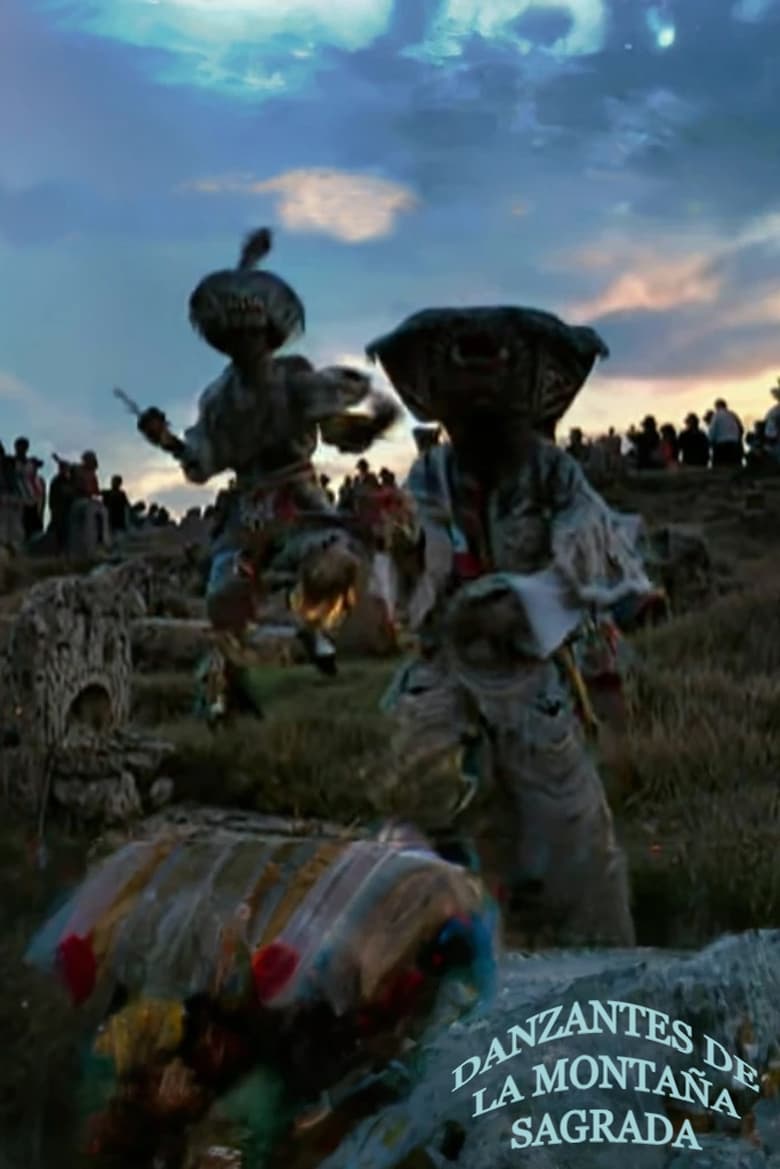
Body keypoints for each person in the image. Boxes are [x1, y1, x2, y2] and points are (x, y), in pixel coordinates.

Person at [368, 304, 644, 948]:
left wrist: (524, 598)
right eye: (460, 406)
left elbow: (596, 549)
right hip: (443, 675)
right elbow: (416, 569)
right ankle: (435, 977)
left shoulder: (553, 472)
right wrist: (404, 553)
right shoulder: (430, 473)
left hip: (528, 675)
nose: (476, 416)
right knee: (424, 821)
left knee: (568, 832)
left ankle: (597, 976)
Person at [132, 226, 399, 707]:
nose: (247, 341)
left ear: (269, 335)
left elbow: (342, 412)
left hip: (300, 500)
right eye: (237, 334)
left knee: (333, 563)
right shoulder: (218, 400)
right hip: (251, 508)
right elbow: (204, 458)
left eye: (254, 332)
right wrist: (168, 440)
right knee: (224, 599)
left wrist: (369, 424)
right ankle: (231, 684)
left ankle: (314, 630)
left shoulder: (296, 379)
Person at [708, 399, 743, 467]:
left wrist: (711, 441)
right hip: (734, 443)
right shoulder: (733, 415)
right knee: (733, 465)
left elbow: (712, 429)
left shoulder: (717, 415)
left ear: (717, 406)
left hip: (722, 444)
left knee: (721, 466)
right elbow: (740, 428)